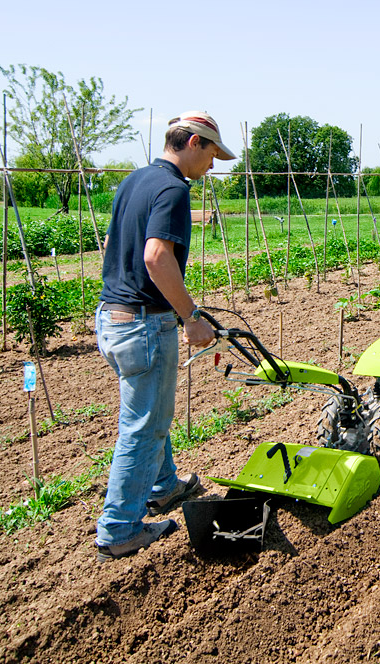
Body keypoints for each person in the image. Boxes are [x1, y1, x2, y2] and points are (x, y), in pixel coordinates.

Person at [94, 111, 235, 562]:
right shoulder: (174, 188)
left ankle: (164, 484)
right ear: (194, 142)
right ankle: (120, 529)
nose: (213, 164)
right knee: (144, 426)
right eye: (212, 152)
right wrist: (191, 316)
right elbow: (156, 257)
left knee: (150, 411)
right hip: (144, 323)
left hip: (112, 317)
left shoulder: (134, 180)